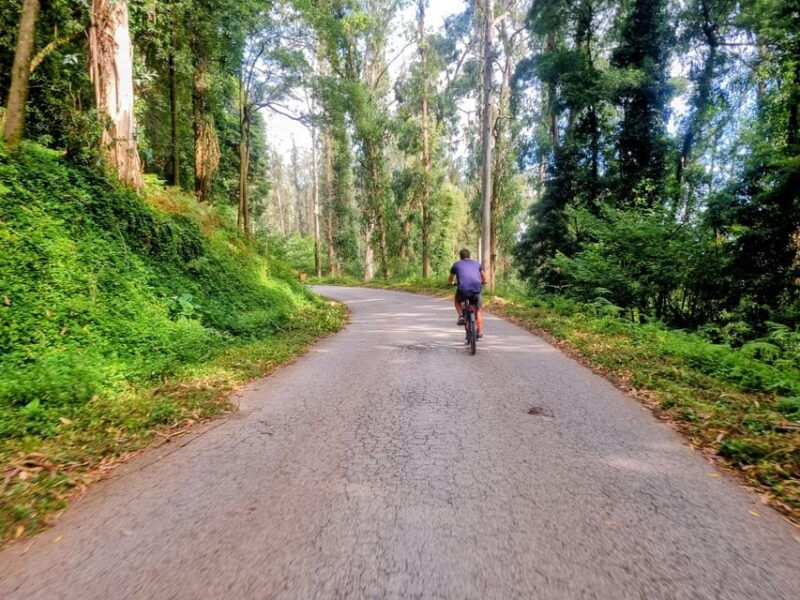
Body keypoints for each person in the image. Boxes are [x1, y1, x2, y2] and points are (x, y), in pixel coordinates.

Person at [447, 248, 486, 340]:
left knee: (457, 300)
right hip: (476, 290)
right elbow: (483, 276)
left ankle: (461, 316)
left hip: (463, 290)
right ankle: (480, 333)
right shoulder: (477, 264)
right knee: (479, 310)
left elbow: (451, 278)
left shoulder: (456, 265)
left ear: (460, 257)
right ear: (469, 256)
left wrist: (450, 283)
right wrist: (483, 281)